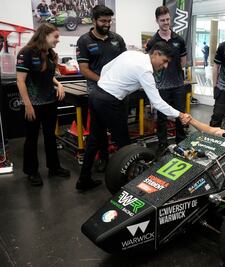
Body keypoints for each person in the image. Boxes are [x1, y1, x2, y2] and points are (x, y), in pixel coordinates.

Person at [76, 41, 191, 191]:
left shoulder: (132, 54)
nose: (165, 66)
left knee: (94, 139)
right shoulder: (145, 70)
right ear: (155, 54)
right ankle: (130, 188)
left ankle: (83, 180)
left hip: (96, 95)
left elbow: (105, 68)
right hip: (109, 101)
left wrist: (110, 83)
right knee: (126, 147)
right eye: (164, 61)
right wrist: (180, 114)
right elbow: (157, 103)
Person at [16, 23, 70, 186]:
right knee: (32, 139)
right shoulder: (26, 52)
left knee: (50, 136)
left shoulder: (50, 53)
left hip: (50, 102)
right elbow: (20, 80)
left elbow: (48, 76)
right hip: (32, 104)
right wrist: (28, 105)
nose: (58, 40)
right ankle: (32, 172)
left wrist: (59, 84)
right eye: (56, 36)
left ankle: (54, 167)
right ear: (44, 35)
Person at [76, 4, 126, 172]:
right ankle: (104, 159)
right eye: (103, 21)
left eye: (109, 21)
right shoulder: (84, 41)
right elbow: (84, 69)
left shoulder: (117, 39)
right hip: (96, 91)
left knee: (120, 127)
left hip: (118, 92)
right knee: (99, 130)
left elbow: (125, 62)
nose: (107, 24)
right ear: (94, 20)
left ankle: (123, 160)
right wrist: (103, 81)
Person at [145, 6, 187, 153]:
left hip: (178, 85)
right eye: (162, 20)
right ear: (157, 21)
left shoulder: (179, 39)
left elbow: (183, 61)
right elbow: (149, 63)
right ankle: (162, 144)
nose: (166, 22)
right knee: (161, 117)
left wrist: (176, 75)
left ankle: (181, 142)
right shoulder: (152, 42)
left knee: (180, 114)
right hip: (161, 86)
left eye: (168, 19)